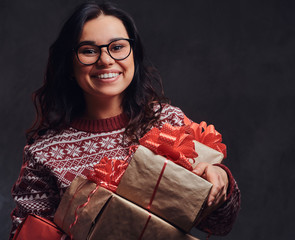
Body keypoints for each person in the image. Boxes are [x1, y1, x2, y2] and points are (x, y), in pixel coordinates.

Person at [10, 1, 240, 239]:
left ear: (134, 55)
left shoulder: (169, 123)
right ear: (69, 64)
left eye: (118, 47)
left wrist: (221, 181)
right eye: (88, 50)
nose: (106, 60)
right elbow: (26, 233)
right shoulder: (45, 153)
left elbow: (221, 224)